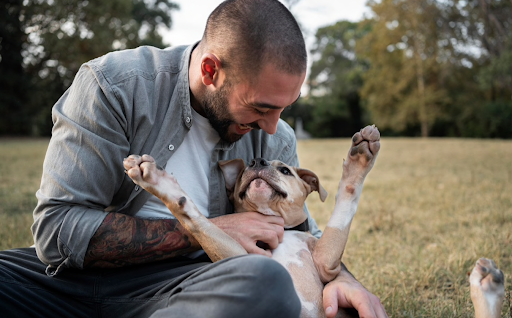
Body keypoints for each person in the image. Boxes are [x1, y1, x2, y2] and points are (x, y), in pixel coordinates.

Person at [0, 0, 388, 317]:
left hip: (193, 288)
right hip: (70, 282)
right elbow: (57, 232)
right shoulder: (114, 86)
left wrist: (342, 280)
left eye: (285, 108)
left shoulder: (275, 138)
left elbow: (301, 234)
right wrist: (206, 229)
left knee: (265, 285)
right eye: (261, 108)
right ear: (210, 70)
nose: (272, 129)